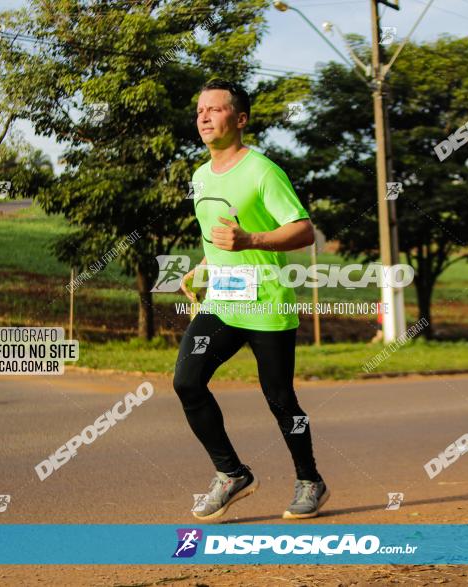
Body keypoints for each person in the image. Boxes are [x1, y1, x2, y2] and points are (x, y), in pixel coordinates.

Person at [173, 78, 329, 521]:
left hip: (267, 304)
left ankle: (309, 479)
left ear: (239, 119)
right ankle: (231, 473)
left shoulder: (263, 170)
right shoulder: (200, 176)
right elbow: (220, 232)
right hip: (223, 302)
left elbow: (302, 229)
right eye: (200, 110)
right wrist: (203, 265)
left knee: (280, 398)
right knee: (187, 381)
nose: (204, 116)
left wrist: (252, 240)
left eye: (215, 109)